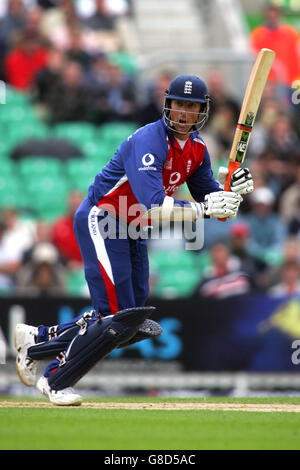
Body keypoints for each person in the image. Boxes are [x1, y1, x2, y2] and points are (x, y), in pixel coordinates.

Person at [14, 74, 254, 405]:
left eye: (192, 106)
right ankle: (55, 379)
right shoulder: (149, 139)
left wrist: (234, 192)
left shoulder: (197, 149)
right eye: (179, 105)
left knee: (130, 320)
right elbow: (154, 205)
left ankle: (38, 341)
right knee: (117, 317)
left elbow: (218, 209)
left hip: (133, 226)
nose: (184, 113)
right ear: (168, 105)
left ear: (202, 111)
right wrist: (204, 208)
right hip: (103, 217)